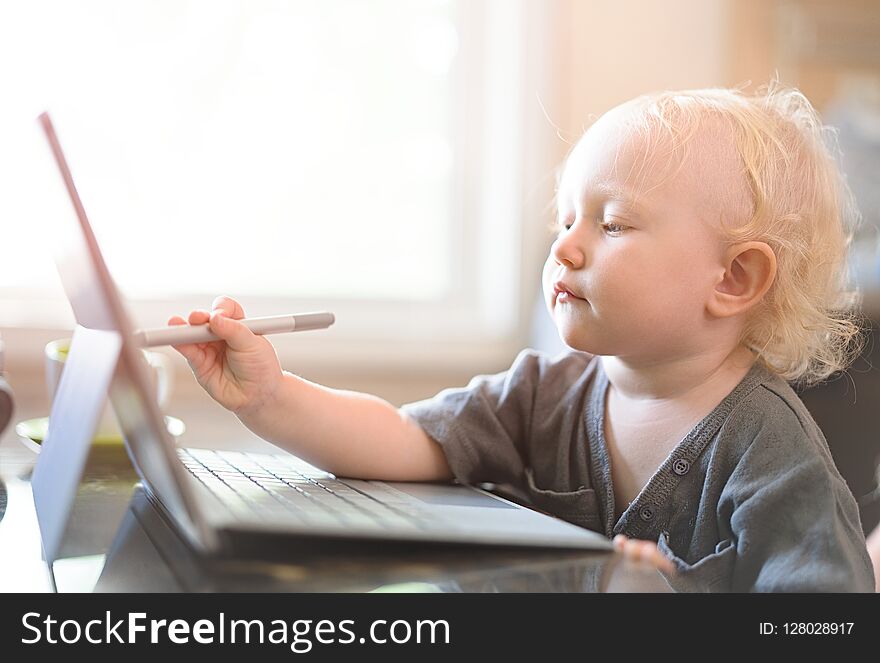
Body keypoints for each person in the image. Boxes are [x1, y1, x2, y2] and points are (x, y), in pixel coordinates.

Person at [169, 83, 875, 592]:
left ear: (734, 277)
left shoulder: (768, 449)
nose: (565, 248)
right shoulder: (544, 390)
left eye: (614, 223)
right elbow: (402, 440)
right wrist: (267, 397)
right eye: (567, 219)